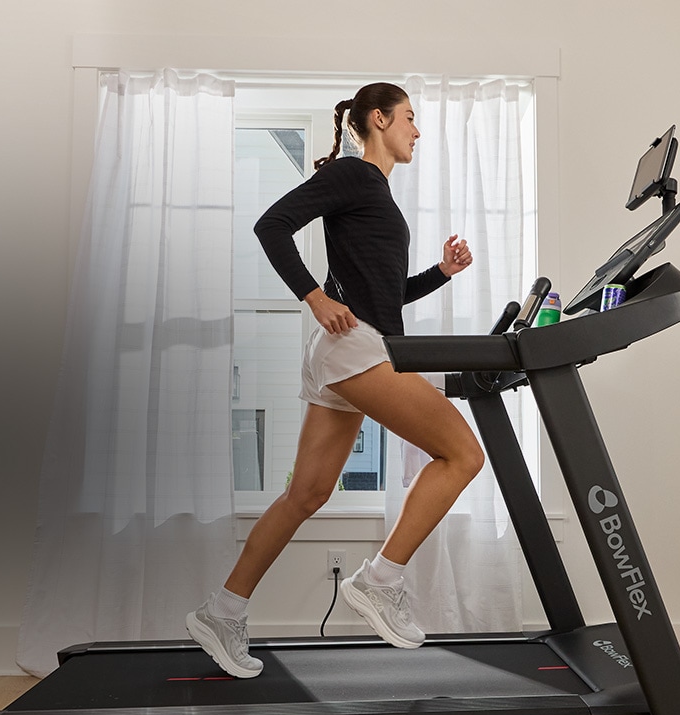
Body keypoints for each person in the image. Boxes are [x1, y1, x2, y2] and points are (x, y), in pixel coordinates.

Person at [186, 82, 485, 678]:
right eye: (409, 117)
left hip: (348, 348)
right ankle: (381, 579)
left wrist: (441, 272)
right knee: (462, 456)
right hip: (354, 348)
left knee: (306, 495)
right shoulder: (353, 174)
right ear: (379, 119)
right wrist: (315, 297)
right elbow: (271, 225)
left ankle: (222, 612)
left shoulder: (373, 191)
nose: (417, 130)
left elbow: (385, 293)